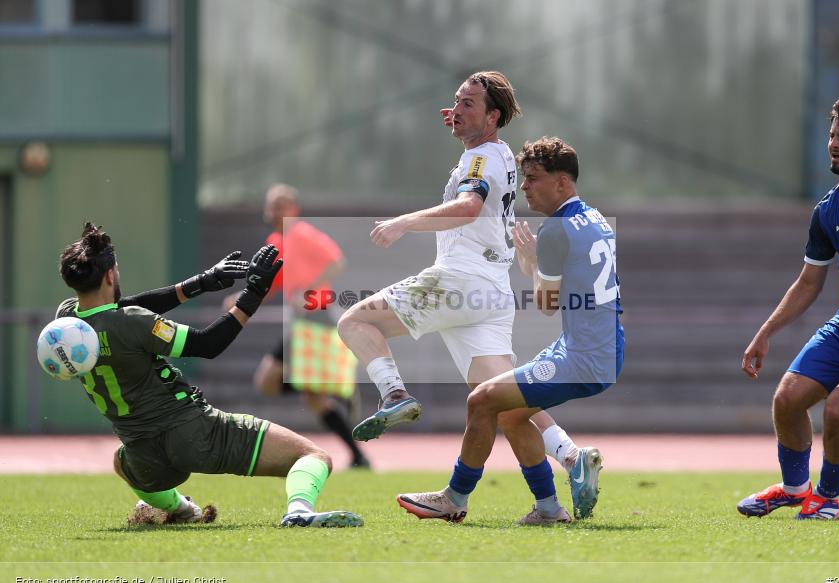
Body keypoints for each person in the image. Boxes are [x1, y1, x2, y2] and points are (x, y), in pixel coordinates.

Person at [336, 71, 604, 518]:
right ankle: (566, 470)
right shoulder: (495, 153)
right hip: (491, 292)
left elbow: (469, 206)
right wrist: (468, 116)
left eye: (469, 104)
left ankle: (394, 395)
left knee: (355, 322)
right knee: (505, 402)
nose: (457, 110)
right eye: (456, 102)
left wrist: (402, 222)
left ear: (493, 116)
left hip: (460, 281)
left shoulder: (480, 157)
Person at [56, 223, 362, 528]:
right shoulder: (132, 323)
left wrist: (200, 283)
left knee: (120, 461)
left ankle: (180, 508)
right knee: (313, 456)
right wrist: (253, 294)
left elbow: (117, 310)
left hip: (143, 457)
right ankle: (298, 510)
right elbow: (208, 344)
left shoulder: (66, 319)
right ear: (110, 275)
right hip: (197, 434)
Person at [396, 136, 624, 524]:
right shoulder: (594, 217)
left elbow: (548, 305)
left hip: (584, 356)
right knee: (512, 413)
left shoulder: (555, 230)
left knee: (481, 400)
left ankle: (454, 497)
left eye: (533, 178)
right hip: (597, 345)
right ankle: (549, 508)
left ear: (563, 183)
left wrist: (531, 263)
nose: (524, 187)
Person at [739, 97, 839, 520]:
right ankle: (794, 489)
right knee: (787, 399)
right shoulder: (827, 210)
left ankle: (827, 498)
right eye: (831, 135)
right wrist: (766, 332)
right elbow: (809, 281)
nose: (833, 143)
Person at [226, 184, 369, 469]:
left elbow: (336, 263)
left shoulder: (301, 233)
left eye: (280, 205)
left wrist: (309, 290)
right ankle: (358, 456)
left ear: (293, 209)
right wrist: (241, 300)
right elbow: (273, 284)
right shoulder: (276, 242)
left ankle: (338, 387)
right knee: (314, 399)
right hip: (305, 320)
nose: (274, 211)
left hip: (317, 315)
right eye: (271, 205)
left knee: (267, 381)